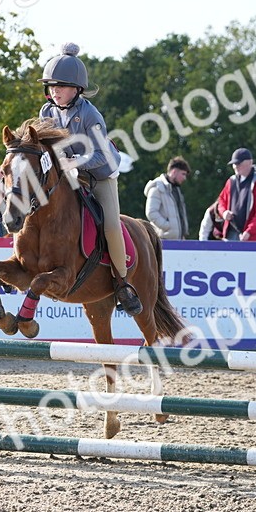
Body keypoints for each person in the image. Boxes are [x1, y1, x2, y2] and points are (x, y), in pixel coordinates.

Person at [37, 42, 141, 314]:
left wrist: (74, 162)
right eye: (51, 85)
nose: (54, 90)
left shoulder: (90, 114)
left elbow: (102, 155)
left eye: (60, 85)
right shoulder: (46, 112)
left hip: (99, 175)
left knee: (110, 225)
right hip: (69, 177)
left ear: (77, 89)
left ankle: (122, 283)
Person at [203, 147, 256, 242]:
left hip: (252, 237)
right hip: (230, 234)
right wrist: (224, 213)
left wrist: (249, 231)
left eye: (238, 163)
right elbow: (221, 201)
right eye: (234, 164)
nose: (235, 166)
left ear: (250, 162)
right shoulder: (231, 181)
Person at [144, 156, 190, 240]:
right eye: (183, 174)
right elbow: (151, 212)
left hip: (178, 240)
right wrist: (168, 227)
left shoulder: (176, 190)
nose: (184, 178)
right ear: (174, 171)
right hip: (162, 240)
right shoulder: (157, 188)